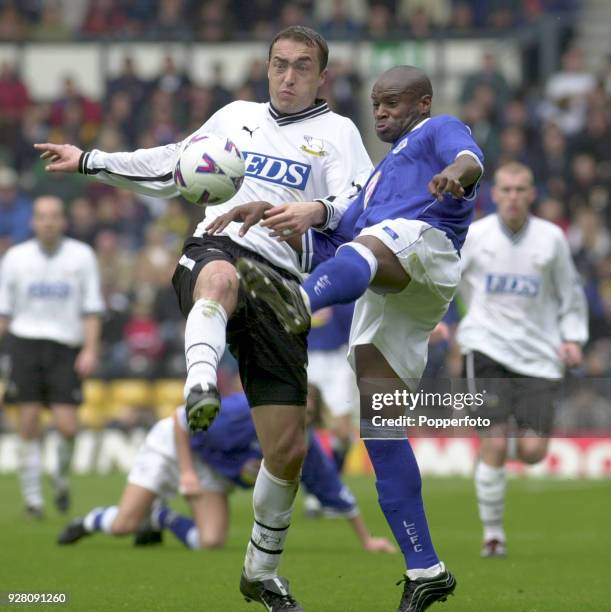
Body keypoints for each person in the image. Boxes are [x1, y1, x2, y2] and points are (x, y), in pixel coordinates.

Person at [34, 25, 373, 611]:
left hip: (283, 286)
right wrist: (91, 159)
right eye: (278, 64)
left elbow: (359, 210)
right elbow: (172, 166)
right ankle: (198, 383)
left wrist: (311, 209)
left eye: (301, 67)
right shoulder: (235, 116)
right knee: (219, 277)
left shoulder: (339, 134)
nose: (287, 76)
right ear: (266, 68)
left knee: (287, 449)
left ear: (322, 76)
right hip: (218, 246)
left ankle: (260, 573)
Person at [227, 65, 484, 611]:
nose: (382, 111)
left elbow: (470, 159)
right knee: (381, 429)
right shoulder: (376, 178)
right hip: (393, 290)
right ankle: (426, 569)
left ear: (423, 102)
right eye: (376, 103)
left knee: (367, 246)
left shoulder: (437, 131)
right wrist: (269, 214)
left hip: (427, 245)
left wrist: (456, 177)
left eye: (393, 102)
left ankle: (295, 305)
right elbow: (334, 243)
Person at [57, 384, 396, 556]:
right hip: (174, 448)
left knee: (211, 542)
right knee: (123, 526)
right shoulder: (242, 414)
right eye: (295, 413)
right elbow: (180, 420)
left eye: (306, 418)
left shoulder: (300, 447)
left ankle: (161, 517)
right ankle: (89, 521)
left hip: (210, 466)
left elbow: (333, 490)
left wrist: (367, 541)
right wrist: (187, 475)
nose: (297, 423)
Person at [454, 161, 588, 557]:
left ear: (532, 194)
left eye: (521, 189)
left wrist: (573, 338)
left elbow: (571, 294)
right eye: (506, 190)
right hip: (487, 347)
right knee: (494, 443)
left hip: (538, 355)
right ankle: (493, 535)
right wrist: (439, 323)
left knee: (532, 452)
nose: (513, 196)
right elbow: (446, 283)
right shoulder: (475, 236)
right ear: (494, 194)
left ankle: (493, 453)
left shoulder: (552, 239)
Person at [0, 195, 103, 517]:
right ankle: (33, 500)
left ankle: (59, 476)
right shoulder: (15, 258)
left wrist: (90, 349)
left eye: (54, 216)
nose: (48, 222)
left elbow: (92, 308)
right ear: (33, 221)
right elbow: (4, 312)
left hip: (65, 347)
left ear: (64, 221)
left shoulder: (82, 255)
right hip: (25, 343)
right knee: (27, 424)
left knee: (68, 427)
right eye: (42, 216)